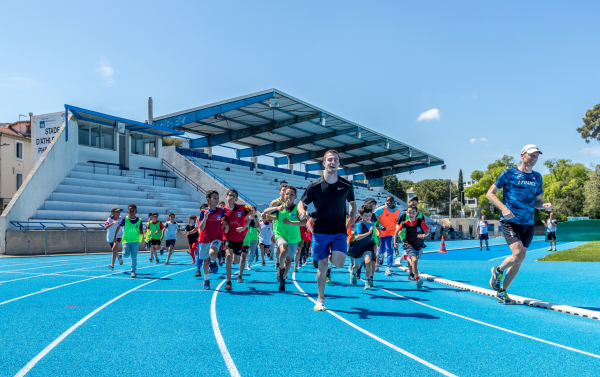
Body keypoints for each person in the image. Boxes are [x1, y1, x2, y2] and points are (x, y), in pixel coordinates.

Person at [488, 144, 552, 304]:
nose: (534, 158)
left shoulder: (537, 177)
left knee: (519, 259)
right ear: (522, 155)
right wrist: (503, 208)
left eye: (536, 156)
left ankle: (502, 292)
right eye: (531, 155)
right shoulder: (508, 174)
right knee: (518, 254)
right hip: (511, 222)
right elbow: (490, 193)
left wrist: (544, 206)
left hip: (528, 223)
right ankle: (498, 270)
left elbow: (537, 201)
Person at [298, 150, 357, 311]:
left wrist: (352, 217)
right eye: (329, 159)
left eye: (336, 160)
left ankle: (331, 254)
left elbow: (352, 203)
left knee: (338, 264)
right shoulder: (314, 186)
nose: (333, 162)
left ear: (339, 164)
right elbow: (301, 203)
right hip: (320, 231)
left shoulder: (346, 185)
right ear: (324, 163)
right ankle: (320, 299)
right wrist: (302, 212)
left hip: (339, 230)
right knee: (322, 267)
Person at [264, 185, 306, 291]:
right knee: (283, 251)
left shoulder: (297, 209)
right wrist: (276, 208)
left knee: (288, 261)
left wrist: (291, 222)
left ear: (295, 196)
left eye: (292, 194)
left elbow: (303, 222)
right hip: (280, 235)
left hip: (293, 238)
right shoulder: (279, 206)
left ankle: (283, 279)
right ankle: (280, 268)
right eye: (287, 194)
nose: (289, 196)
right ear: (284, 195)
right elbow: (265, 212)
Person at [195, 190, 229, 290]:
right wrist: (205, 217)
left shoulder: (220, 210)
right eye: (214, 198)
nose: (217, 200)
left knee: (213, 253)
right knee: (205, 261)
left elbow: (223, 220)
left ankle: (213, 261)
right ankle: (206, 280)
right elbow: (201, 228)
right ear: (208, 200)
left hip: (217, 237)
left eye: (217, 198)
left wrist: (225, 224)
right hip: (205, 238)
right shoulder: (203, 212)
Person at [394, 205, 430, 289]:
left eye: (413, 212)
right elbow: (396, 231)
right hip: (408, 244)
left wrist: (423, 235)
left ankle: (406, 257)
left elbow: (427, 232)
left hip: (418, 245)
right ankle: (417, 278)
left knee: (416, 258)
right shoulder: (405, 223)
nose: (411, 214)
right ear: (407, 213)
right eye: (409, 212)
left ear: (416, 213)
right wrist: (395, 242)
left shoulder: (420, 221)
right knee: (414, 259)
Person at [223, 189, 252, 290]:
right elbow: (222, 220)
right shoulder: (223, 210)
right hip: (228, 237)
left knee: (236, 260)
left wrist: (243, 228)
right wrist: (225, 224)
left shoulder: (242, 208)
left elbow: (249, 220)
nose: (231, 197)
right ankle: (229, 282)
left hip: (239, 238)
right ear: (226, 197)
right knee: (228, 257)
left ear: (236, 199)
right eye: (230, 195)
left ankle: (236, 264)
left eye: (234, 196)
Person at [112, 204, 145, 278]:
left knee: (134, 256)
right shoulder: (125, 219)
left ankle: (133, 271)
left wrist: (142, 232)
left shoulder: (139, 220)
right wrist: (115, 236)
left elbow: (141, 230)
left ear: (136, 211)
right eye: (130, 211)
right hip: (126, 240)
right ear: (128, 211)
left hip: (136, 241)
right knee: (125, 255)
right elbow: (118, 227)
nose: (132, 212)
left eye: (133, 211)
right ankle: (120, 256)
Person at [349, 204, 376, 290]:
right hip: (359, 248)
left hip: (368, 247)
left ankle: (367, 282)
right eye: (366, 215)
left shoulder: (372, 223)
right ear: (361, 215)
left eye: (369, 215)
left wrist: (376, 243)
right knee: (357, 266)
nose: (368, 217)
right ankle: (353, 274)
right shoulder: (359, 225)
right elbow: (357, 237)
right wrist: (368, 233)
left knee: (368, 262)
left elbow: (373, 235)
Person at [373, 196, 401, 276]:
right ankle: (380, 255)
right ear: (386, 201)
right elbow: (373, 216)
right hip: (381, 233)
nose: (389, 202)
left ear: (393, 201)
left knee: (389, 249)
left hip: (391, 233)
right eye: (388, 200)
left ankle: (388, 268)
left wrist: (399, 230)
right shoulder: (382, 209)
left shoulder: (397, 211)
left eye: (391, 200)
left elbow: (398, 222)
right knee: (381, 250)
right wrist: (379, 225)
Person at [105, 206, 124, 270]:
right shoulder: (109, 219)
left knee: (114, 248)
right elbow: (105, 227)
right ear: (112, 213)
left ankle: (112, 264)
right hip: (111, 237)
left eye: (119, 212)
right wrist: (112, 223)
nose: (118, 213)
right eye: (117, 212)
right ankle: (119, 256)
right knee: (114, 250)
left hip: (118, 236)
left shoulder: (121, 218)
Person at [243, 207, 261, 271]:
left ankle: (248, 265)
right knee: (245, 253)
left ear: (255, 212)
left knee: (252, 253)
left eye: (254, 210)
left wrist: (253, 218)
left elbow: (259, 228)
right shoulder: (245, 218)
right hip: (246, 238)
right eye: (251, 210)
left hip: (254, 238)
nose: (252, 212)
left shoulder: (256, 219)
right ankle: (244, 263)